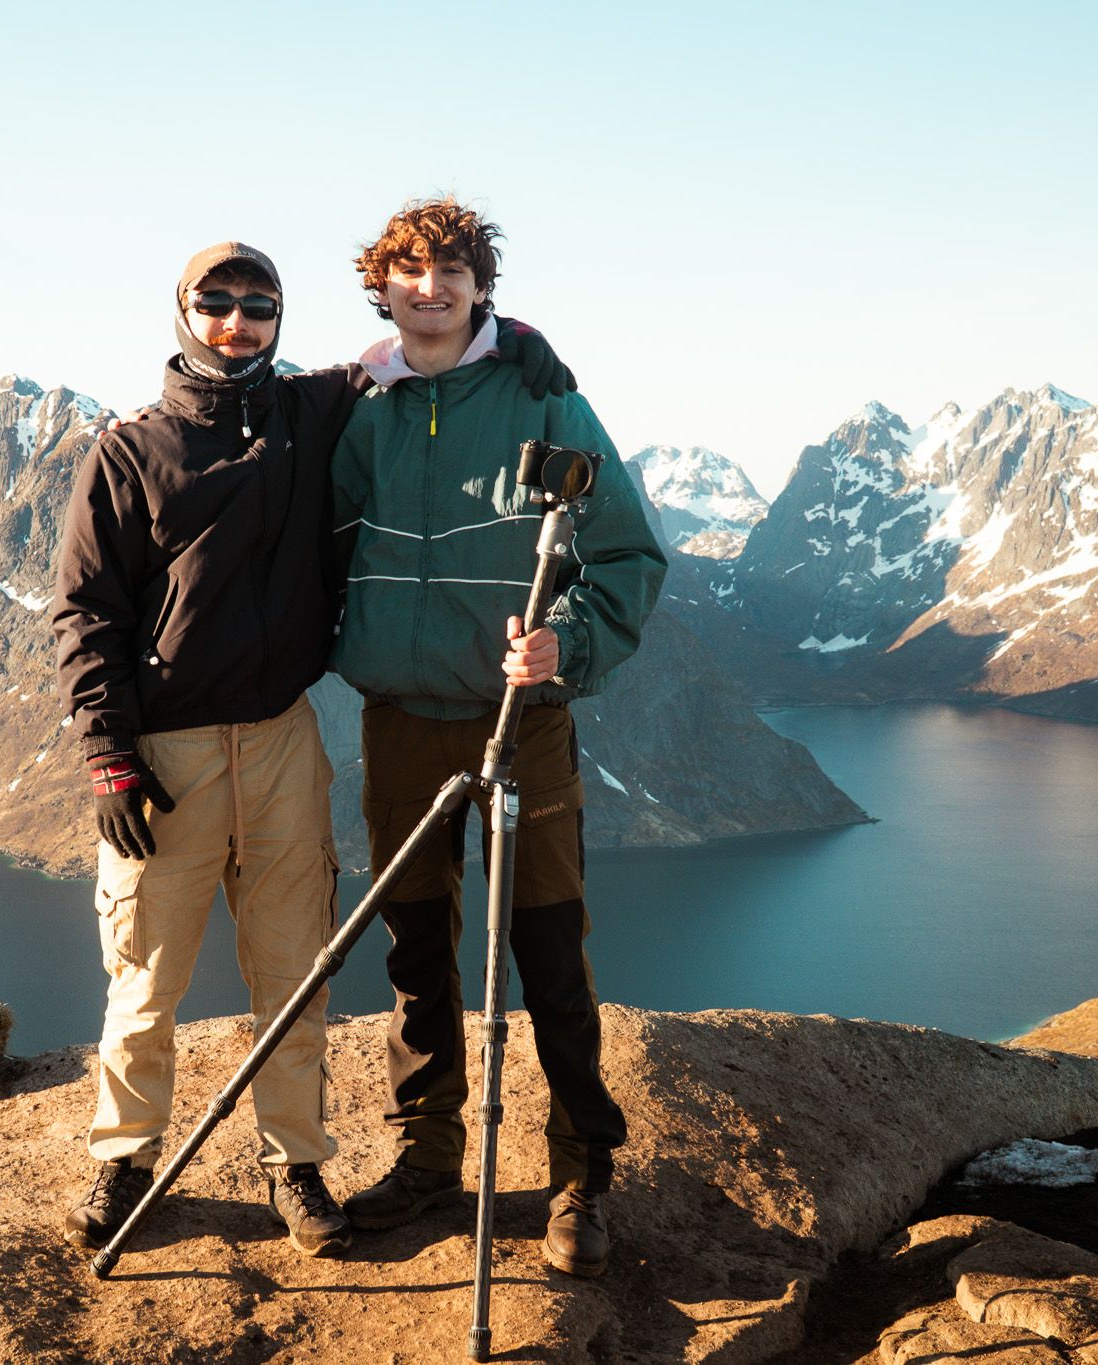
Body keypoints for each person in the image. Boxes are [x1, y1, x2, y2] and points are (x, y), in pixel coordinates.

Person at [50, 241, 572, 1259]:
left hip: (282, 742)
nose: (236, 323)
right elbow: (83, 615)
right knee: (145, 975)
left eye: (257, 306)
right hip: (166, 755)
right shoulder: (129, 450)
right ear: (184, 312)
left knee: (295, 969)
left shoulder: (306, 412)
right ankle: (123, 1160)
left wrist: (512, 339)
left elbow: (420, 344)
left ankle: (297, 1166)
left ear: (277, 321)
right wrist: (108, 755)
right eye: (216, 304)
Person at [328, 198, 667, 1278]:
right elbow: (314, 545)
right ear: (379, 286)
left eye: (449, 272)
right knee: (417, 958)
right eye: (406, 272)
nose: (428, 289)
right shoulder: (359, 408)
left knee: (546, 954)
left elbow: (624, 557)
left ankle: (578, 1179)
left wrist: (562, 644)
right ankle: (427, 1158)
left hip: (523, 723)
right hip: (399, 719)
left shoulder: (542, 399)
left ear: (481, 288)